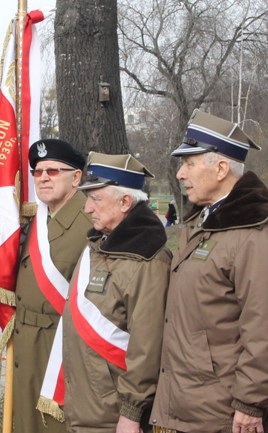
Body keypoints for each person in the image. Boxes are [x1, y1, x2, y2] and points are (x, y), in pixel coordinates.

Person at [150, 109, 268, 433]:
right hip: (193, 405)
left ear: (221, 168)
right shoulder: (203, 223)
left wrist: (251, 403)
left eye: (189, 163)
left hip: (226, 414)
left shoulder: (259, 233)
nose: (180, 173)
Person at [61, 152, 171, 433]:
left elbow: (147, 345)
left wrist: (132, 413)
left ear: (125, 202)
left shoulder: (147, 259)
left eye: (95, 198)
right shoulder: (98, 245)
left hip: (114, 415)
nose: (87, 209)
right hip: (86, 408)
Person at [12, 139, 91, 432]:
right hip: (27, 342)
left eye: (54, 171)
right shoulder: (32, 220)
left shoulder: (91, 219)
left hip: (63, 343)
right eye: (38, 171)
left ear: (76, 177)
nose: (43, 177)